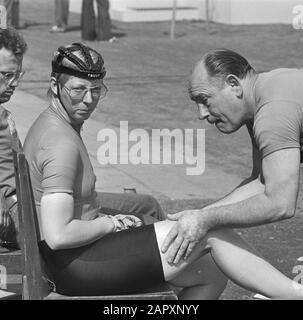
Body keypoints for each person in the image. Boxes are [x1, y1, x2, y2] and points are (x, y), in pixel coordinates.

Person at [23, 43, 303, 299]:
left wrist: (202, 217)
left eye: (95, 91)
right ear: (55, 85)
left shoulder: (273, 111)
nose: (88, 100)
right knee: (211, 234)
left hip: (78, 259)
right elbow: (58, 235)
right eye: (78, 90)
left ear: (233, 84)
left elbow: (273, 195)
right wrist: (115, 223)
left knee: (211, 268)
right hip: (77, 264)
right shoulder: (60, 142)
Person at [161, 48, 303, 268]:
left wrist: (206, 220)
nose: (201, 114)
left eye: (205, 100)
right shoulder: (260, 98)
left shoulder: (272, 113)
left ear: (234, 84)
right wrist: (198, 216)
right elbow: (262, 182)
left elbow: (279, 203)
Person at [0, 27, 27, 249]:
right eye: (7, 75)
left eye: (17, 75)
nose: (15, 83)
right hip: (13, 210)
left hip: (28, 199)